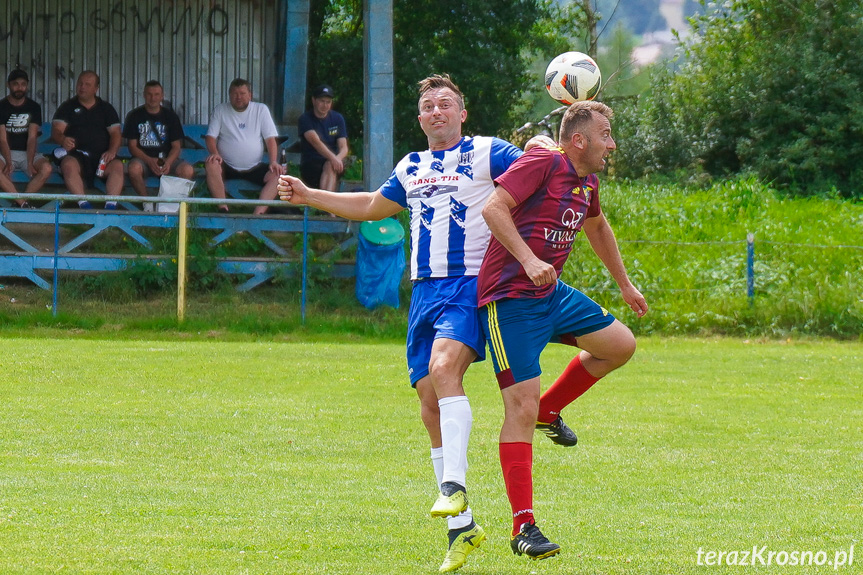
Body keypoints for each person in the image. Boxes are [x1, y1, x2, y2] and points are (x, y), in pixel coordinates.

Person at [278, 75, 550, 573]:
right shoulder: (412, 165)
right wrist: (308, 194)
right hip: (424, 292)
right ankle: (462, 529)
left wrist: (540, 144)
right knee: (429, 403)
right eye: (428, 106)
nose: (437, 111)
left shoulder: (488, 152)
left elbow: (539, 167)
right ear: (421, 118)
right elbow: (370, 206)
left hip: (470, 286)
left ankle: (454, 484)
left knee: (445, 371)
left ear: (462, 114)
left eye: (446, 104)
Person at [477, 100, 648, 560]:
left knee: (620, 345)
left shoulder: (586, 181)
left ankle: (548, 410)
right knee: (518, 406)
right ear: (579, 140)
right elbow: (494, 209)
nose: (611, 144)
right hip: (510, 301)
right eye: (606, 134)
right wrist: (530, 260)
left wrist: (625, 284)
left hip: (551, 295)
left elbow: (597, 226)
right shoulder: (545, 161)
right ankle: (523, 528)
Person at [204, 78, 282, 214]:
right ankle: (223, 209)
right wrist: (215, 153)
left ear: (250, 95)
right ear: (229, 95)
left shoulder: (261, 110)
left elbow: (270, 139)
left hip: (255, 167)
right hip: (226, 166)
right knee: (211, 165)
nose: (238, 97)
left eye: (242, 93)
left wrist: (273, 161)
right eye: (235, 93)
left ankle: (257, 215)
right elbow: (210, 137)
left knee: (278, 175)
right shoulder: (221, 110)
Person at [51, 70, 124, 209]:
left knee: (118, 166)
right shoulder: (67, 107)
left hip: (101, 157)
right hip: (76, 155)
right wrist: (62, 139)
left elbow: (115, 133)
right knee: (67, 164)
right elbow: (56, 131)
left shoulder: (106, 109)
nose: (82, 87)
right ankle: (84, 205)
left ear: (96, 88)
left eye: (87, 84)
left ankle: (110, 207)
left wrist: (112, 151)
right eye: (80, 83)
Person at [123, 80, 195, 199]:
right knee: (134, 169)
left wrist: (168, 162)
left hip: (166, 160)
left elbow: (176, 146)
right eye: (149, 94)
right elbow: (132, 146)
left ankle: (172, 205)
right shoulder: (134, 116)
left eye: (156, 94)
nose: (153, 98)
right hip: (143, 160)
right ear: (144, 95)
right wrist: (149, 161)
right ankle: (147, 203)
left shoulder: (171, 116)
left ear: (162, 96)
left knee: (187, 170)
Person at [0, 69, 53, 207]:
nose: (19, 87)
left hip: (27, 153)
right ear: (8, 85)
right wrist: (9, 162)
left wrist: (30, 162)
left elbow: (32, 138)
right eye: (15, 84)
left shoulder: (33, 107)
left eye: (23, 84)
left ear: (27, 86)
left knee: (46, 168)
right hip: (5, 153)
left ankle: (19, 203)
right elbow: (3, 139)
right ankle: (23, 203)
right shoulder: (1, 106)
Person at [297, 84, 348, 192]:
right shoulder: (305, 119)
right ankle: (326, 205)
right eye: (322, 101)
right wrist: (333, 159)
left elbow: (343, 146)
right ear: (314, 100)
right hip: (311, 164)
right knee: (330, 164)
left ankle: (323, 206)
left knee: (330, 165)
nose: (325, 105)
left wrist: (338, 159)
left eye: (328, 102)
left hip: (335, 164)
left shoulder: (337, 118)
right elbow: (316, 142)